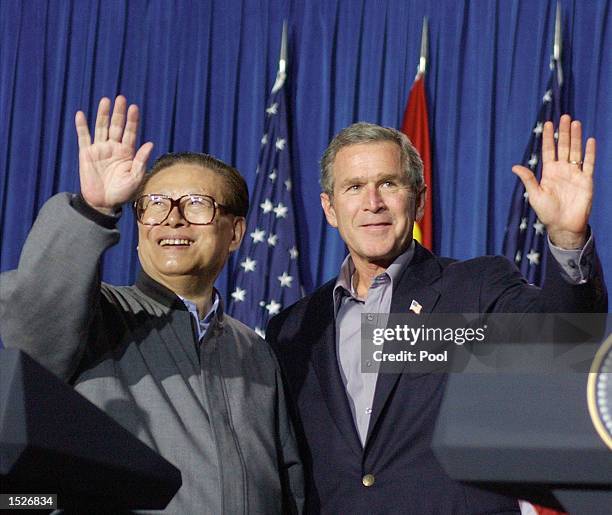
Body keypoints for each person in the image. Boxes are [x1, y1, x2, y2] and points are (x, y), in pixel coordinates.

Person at [266, 118, 607, 514]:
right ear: (330, 208)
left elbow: (564, 340)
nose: (372, 202)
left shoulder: (475, 287)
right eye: (354, 187)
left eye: (389, 184)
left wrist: (567, 238)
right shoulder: (293, 329)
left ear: (420, 200)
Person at [0, 96, 304, 514]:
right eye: (156, 205)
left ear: (235, 233)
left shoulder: (255, 351)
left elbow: (289, 486)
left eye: (197, 205)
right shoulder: (96, 315)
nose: (173, 219)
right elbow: (28, 330)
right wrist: (94, 209)